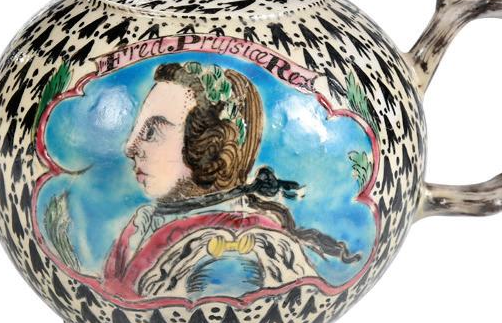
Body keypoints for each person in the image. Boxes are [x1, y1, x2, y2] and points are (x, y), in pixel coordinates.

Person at [102, 61, 360, 300]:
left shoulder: (235, 247)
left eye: (151, 131)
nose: (130, 147)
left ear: (209, 147)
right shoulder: (145, 224)